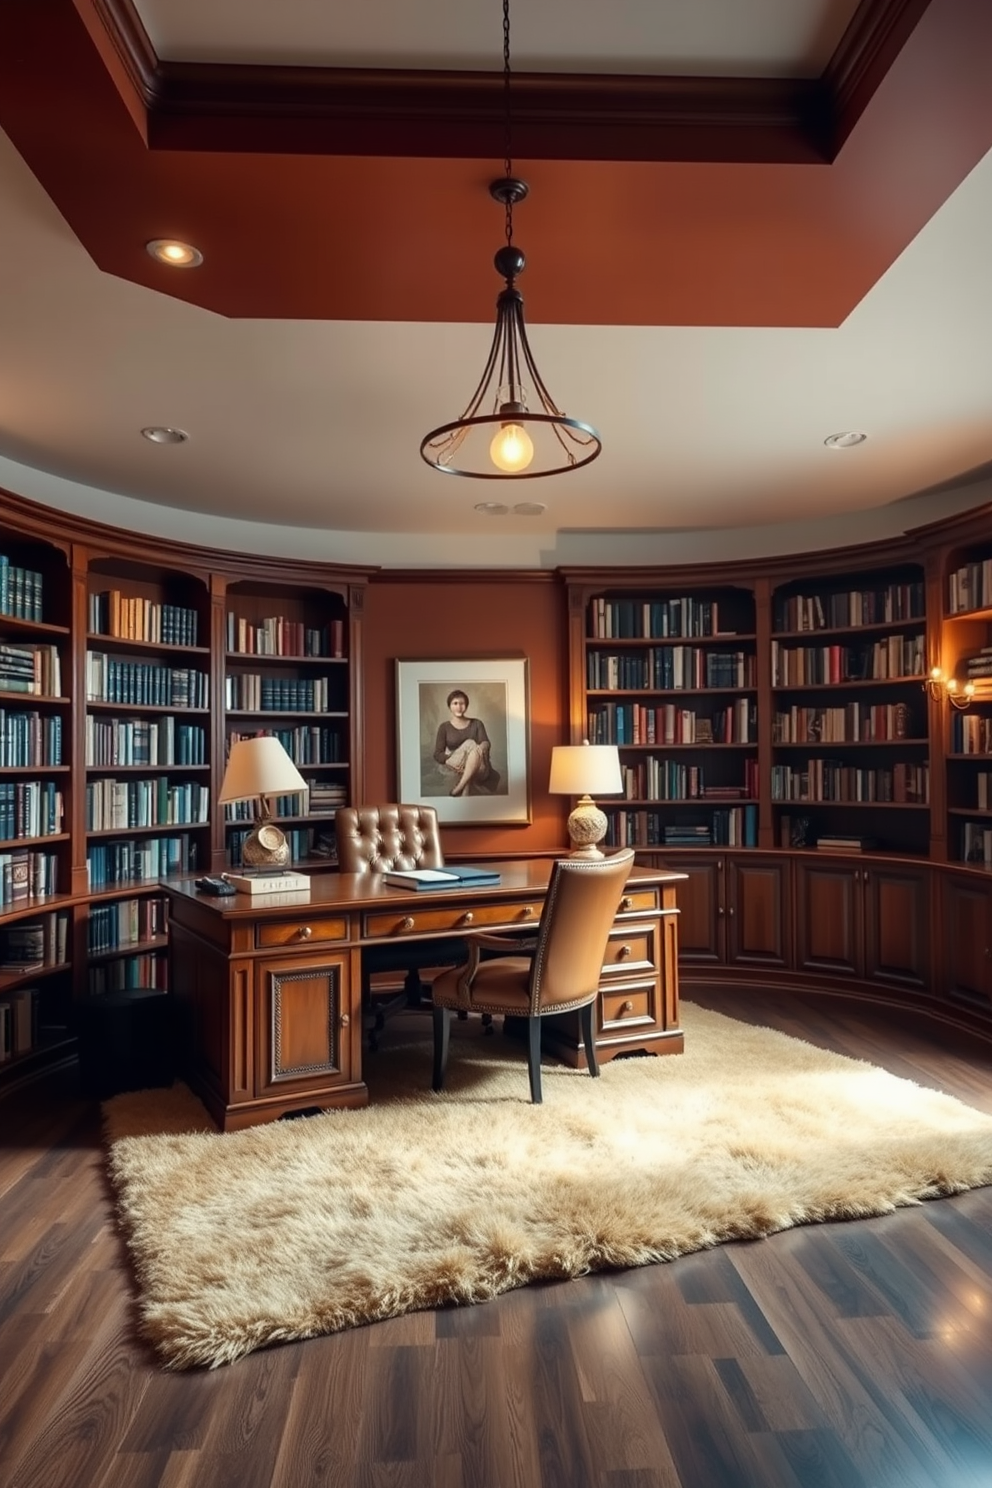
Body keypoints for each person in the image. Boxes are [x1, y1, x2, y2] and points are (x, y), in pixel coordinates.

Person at [433, 689, 495, 797]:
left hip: (479, 764)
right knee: (470, 743)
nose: (459, 707)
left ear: (466, 705)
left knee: (472, 745)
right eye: (455, 703)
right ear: (449, 706)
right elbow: (438, 754)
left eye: (462, 703)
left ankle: (461, 785)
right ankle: (466, 785)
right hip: (455, 761)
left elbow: (485, 743)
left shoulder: (477, 723)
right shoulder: (444, 727)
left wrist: (480, 748)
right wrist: (450, 759)